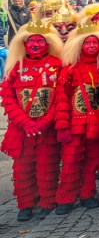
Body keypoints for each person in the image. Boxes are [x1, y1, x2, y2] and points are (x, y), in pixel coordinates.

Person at [2, 21, 64, 221]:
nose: (35, 44)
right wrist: (25, 123)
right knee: (23, 168)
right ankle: (26, 204)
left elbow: (61, 98)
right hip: (22, 130)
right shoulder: (15, 66)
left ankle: (47, 201)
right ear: (24, 44)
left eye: (40, 40)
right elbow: (8, 98)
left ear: (48, 44)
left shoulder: (57, 64)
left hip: (48, 128)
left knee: (48, 164)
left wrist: (46, 122)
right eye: (31, 41)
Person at [54, 22, 99, 214]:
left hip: (96, 122)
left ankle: (88, 193)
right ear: (80, 46)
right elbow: (62, 98)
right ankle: (66, 198)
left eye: (95, 44)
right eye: (87, 44)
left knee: (92, 159)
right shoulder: (70, 69)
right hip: (75, 123)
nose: (91, 47)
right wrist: (62, 125)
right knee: (71, 161)